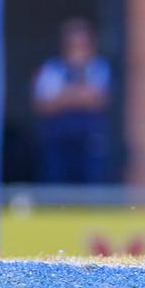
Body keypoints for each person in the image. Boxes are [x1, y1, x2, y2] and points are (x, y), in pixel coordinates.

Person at [33, 18, 112, 184]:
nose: (77, 50)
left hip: (89, 140)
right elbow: (44, 105)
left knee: (92, 186)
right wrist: (78, 95)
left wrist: (64, 94)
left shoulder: (99, 67)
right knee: (55, 185)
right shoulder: (51, 69)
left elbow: (98, 100)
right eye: (72, 45)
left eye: (82, 44)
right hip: (57, 140)